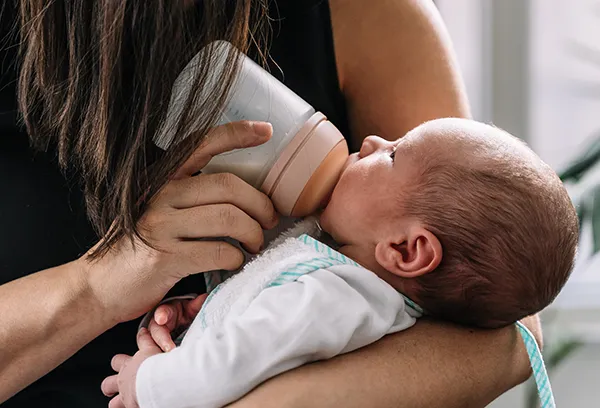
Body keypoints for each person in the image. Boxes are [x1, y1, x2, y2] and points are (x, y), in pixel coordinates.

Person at [0, 1, 542, 407]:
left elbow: (507, 329)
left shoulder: (363, 14)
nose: (373, 142)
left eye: (393, 153)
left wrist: (217, 383)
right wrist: (96, 285)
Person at [101, 118, 577, 408]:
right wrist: (210, 308)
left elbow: (219, 372)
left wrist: (144, 382)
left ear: (407, 251)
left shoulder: (331, 300)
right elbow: (258, 323)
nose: (371, 140)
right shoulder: (334, 269)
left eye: (393, 155)